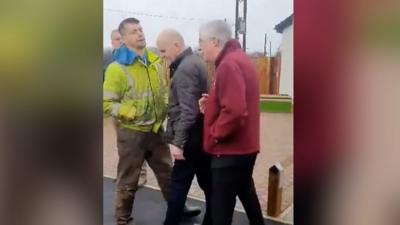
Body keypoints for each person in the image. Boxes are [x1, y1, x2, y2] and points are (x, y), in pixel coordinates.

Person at [103, 18, 200, 225]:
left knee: (168, 174)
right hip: (132, 134)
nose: (140, 33)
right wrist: (130, 112)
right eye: (133, 31)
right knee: (128, 181)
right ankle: (123, 220)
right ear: (124, 38)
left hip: (156, 130)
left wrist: (166, 107)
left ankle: (178, 208)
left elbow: (161, 91)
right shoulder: (116, 69)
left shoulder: (154, 62)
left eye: (140, 29)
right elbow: (106, 103)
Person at [198, 20, 265, 225]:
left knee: (221, 212)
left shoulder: (228, 64)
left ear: (215, 42)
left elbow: (235, 111)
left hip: (229, 151)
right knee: (246, 192)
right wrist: (211, 104)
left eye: (202, 42)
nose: (200, 47)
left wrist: (215, 133)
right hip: (246, 148)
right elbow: (235, 100)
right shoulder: (240, 59)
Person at [157, 29, 212, 225]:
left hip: (190, 138)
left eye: (163, 51)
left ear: (177, 45)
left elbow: (189, 111)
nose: (162, 56)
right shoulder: (196, 61)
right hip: (202, 135)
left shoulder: (185, 69)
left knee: (178, 184)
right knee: (208, 183)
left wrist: (178, 143)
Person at [103, 28, 148, 187]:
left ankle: (140, 176)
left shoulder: (134, 58)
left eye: (120, 39)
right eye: (116, 39)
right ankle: (124, 174)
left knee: (137, 145)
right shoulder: (114, 60)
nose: (119, 42)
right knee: (123, 145)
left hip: (133, 111)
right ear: (112, 42)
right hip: (118, 111)